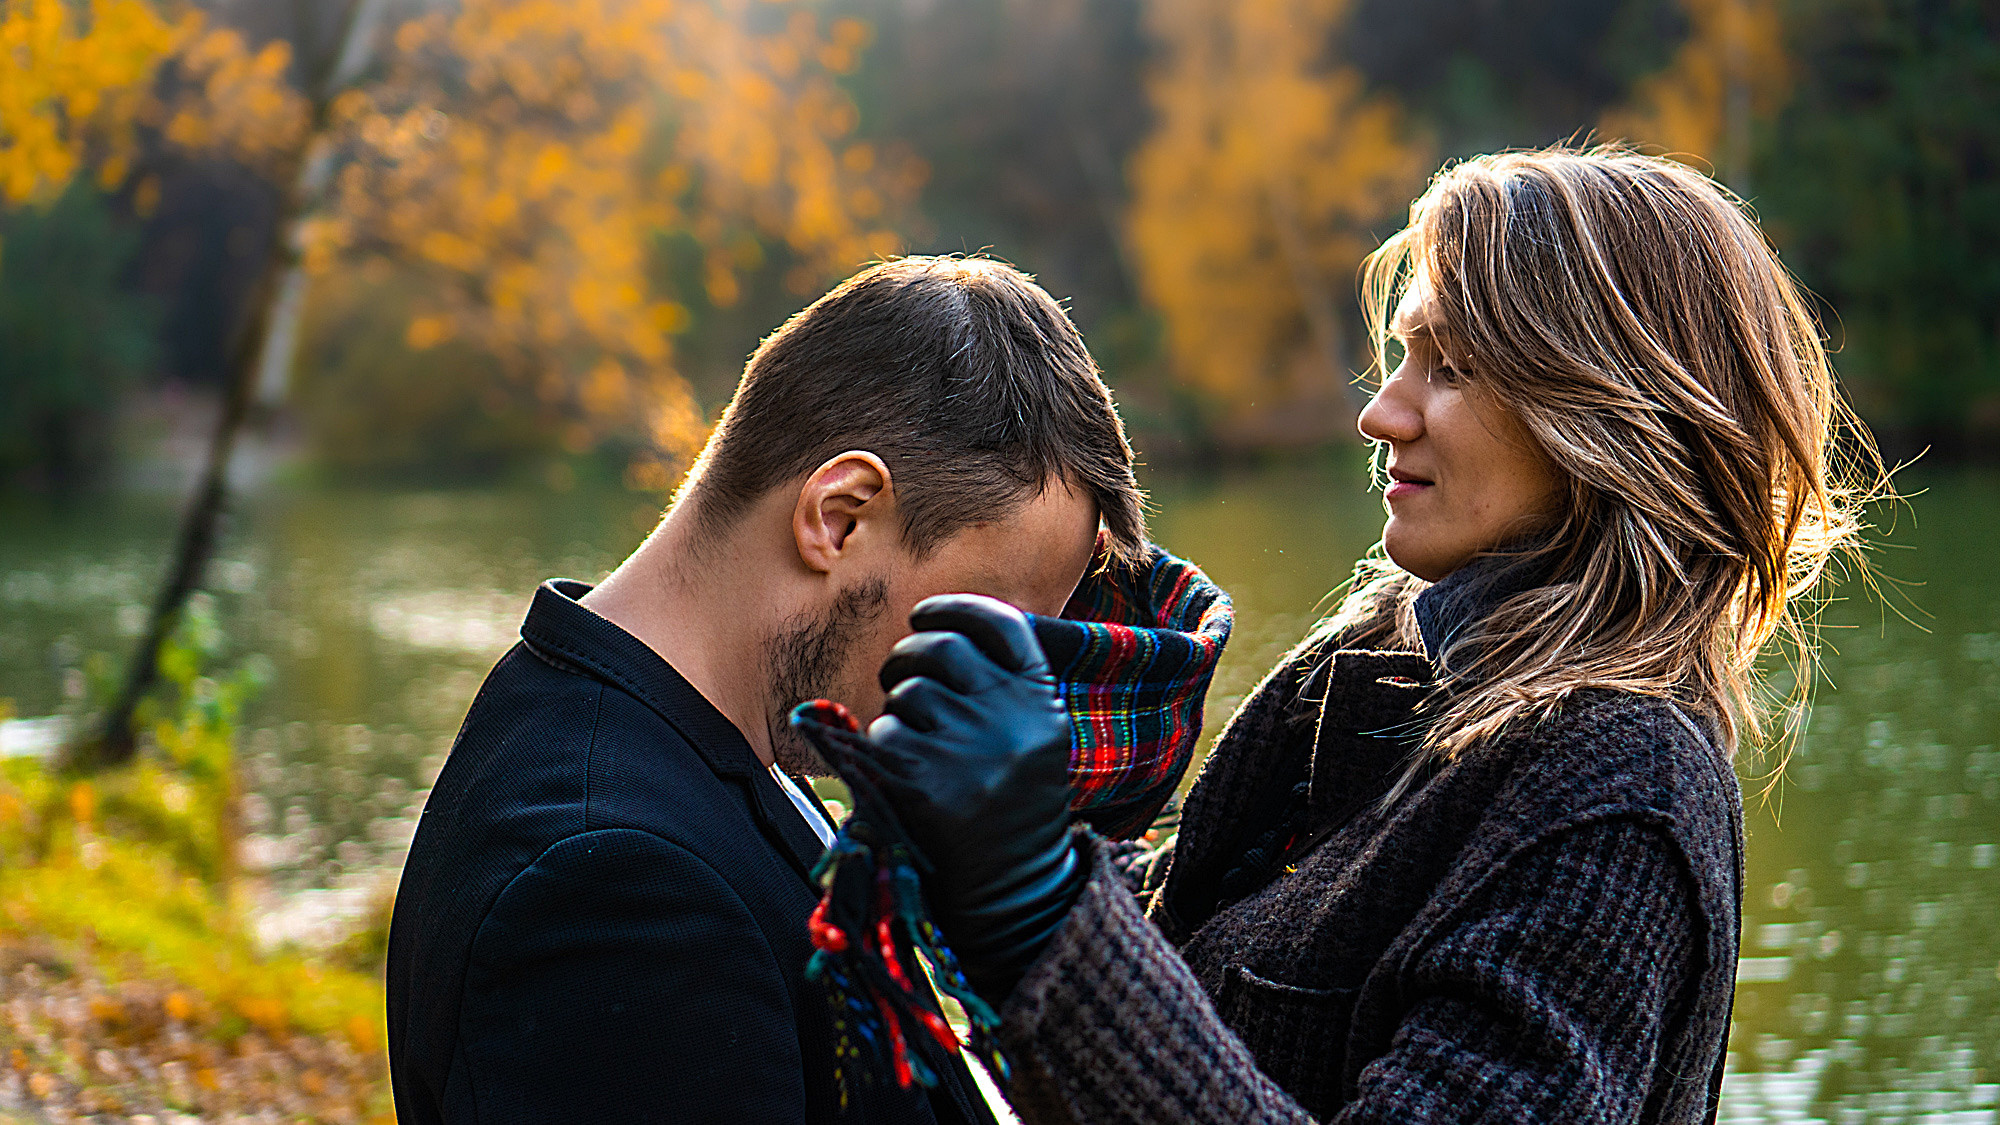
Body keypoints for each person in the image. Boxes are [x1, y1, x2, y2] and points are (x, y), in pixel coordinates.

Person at [821, 147, 1880, 1123]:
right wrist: (995, 815)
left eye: (1451, 367)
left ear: (1605, 413)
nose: (1383, 413)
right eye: (1402, 354)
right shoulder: (1371, 670)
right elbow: (1197, 950)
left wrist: (1039, 901)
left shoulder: (1616, 794)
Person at [383, 256, 1149, 1124]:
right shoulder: (618, 889)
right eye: (986, 620)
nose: (997, 684)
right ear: (839, 516)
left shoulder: (706, 739)